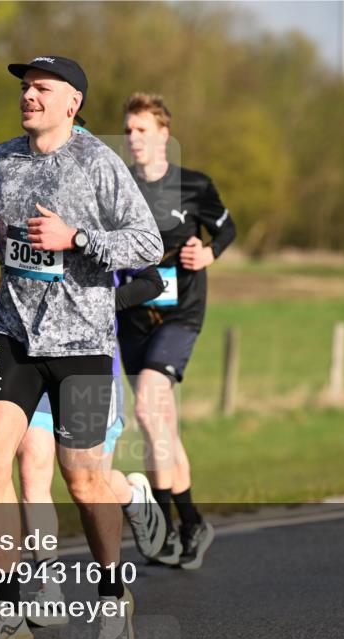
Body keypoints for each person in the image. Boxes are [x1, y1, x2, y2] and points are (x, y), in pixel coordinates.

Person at [0, 57, 163, 639]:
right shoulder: (0, 160)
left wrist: (77, 237)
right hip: (15, 334)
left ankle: (112, 599)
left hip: (81, 343)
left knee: (82, 479)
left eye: (41, 88)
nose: (28, 95)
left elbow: (147, 244)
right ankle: (7, 612)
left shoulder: (97, 163)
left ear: (71, 103)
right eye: (25, 87)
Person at [118, 92, 237, 570]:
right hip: (132, 317)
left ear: (164, 134)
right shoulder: (119, 186)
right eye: (128, 131)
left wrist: (208, 253)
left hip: (181, 314)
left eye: (141, 130)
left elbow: (226, 229)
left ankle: (165, 530)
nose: (133, 139)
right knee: (161, 425)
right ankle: (189, 524)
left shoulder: (194, 186)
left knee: (147, 406)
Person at [17, 261, 166, 628]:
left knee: (89, 481)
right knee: (31, 469)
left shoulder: (104, 208)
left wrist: (96, 304)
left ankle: (132, 496)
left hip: (89, 362)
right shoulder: (21, 205)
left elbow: (152, 281)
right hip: (31, 358)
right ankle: (49, 587)